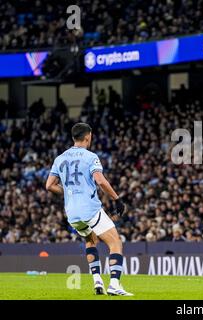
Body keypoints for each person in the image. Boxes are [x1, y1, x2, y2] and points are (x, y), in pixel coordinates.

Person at [45, 122, 133, 296]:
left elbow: (49, 185)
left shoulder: (60, 158)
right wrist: (117, 199)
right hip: (89, 209)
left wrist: (70, 193)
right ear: (88, 136)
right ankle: (114, 284)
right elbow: (100, 181)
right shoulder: (90, 156)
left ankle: (97, 281)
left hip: (72, 213)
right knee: (115, 242)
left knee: (91, 240)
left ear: (73, 138)